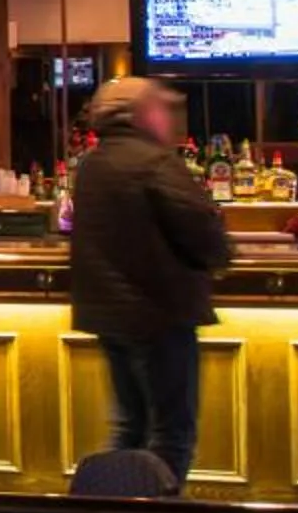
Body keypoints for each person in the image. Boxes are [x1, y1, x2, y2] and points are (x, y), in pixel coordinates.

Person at [69, 77, 229, 484]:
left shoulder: (92, 164)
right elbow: (202, 231)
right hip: (160, 312)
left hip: (110, 315)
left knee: (130, 427)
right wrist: (220, 257)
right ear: (142, 115)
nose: (169, 118)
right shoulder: (154, 162)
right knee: (171, 433)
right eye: (162, 109)